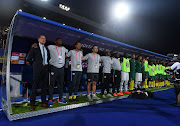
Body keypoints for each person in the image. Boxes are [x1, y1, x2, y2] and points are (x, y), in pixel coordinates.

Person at [27, 35, 49, 111]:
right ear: (38, 39)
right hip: (37, 69)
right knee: (35, 86)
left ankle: (43, 102)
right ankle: (32, 104)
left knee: (44, 86)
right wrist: (35, 65)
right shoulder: (35, 47)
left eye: (45, 38)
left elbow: (47, 58)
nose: (43, 39)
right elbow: (29, 58)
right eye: (42, 38)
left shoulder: (46, 49)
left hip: (45, 68)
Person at [47, 38, 68, 106]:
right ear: (55, 41)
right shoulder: (51, 47)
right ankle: (50, 99)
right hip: (54, 67)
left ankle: (61, 98)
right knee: (51, 84)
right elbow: (43, 47)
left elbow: (68, 53)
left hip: (61, 68)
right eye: (58, 40)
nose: (60, 41)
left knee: (61, 84)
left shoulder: (64, 48)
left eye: (61, 40)